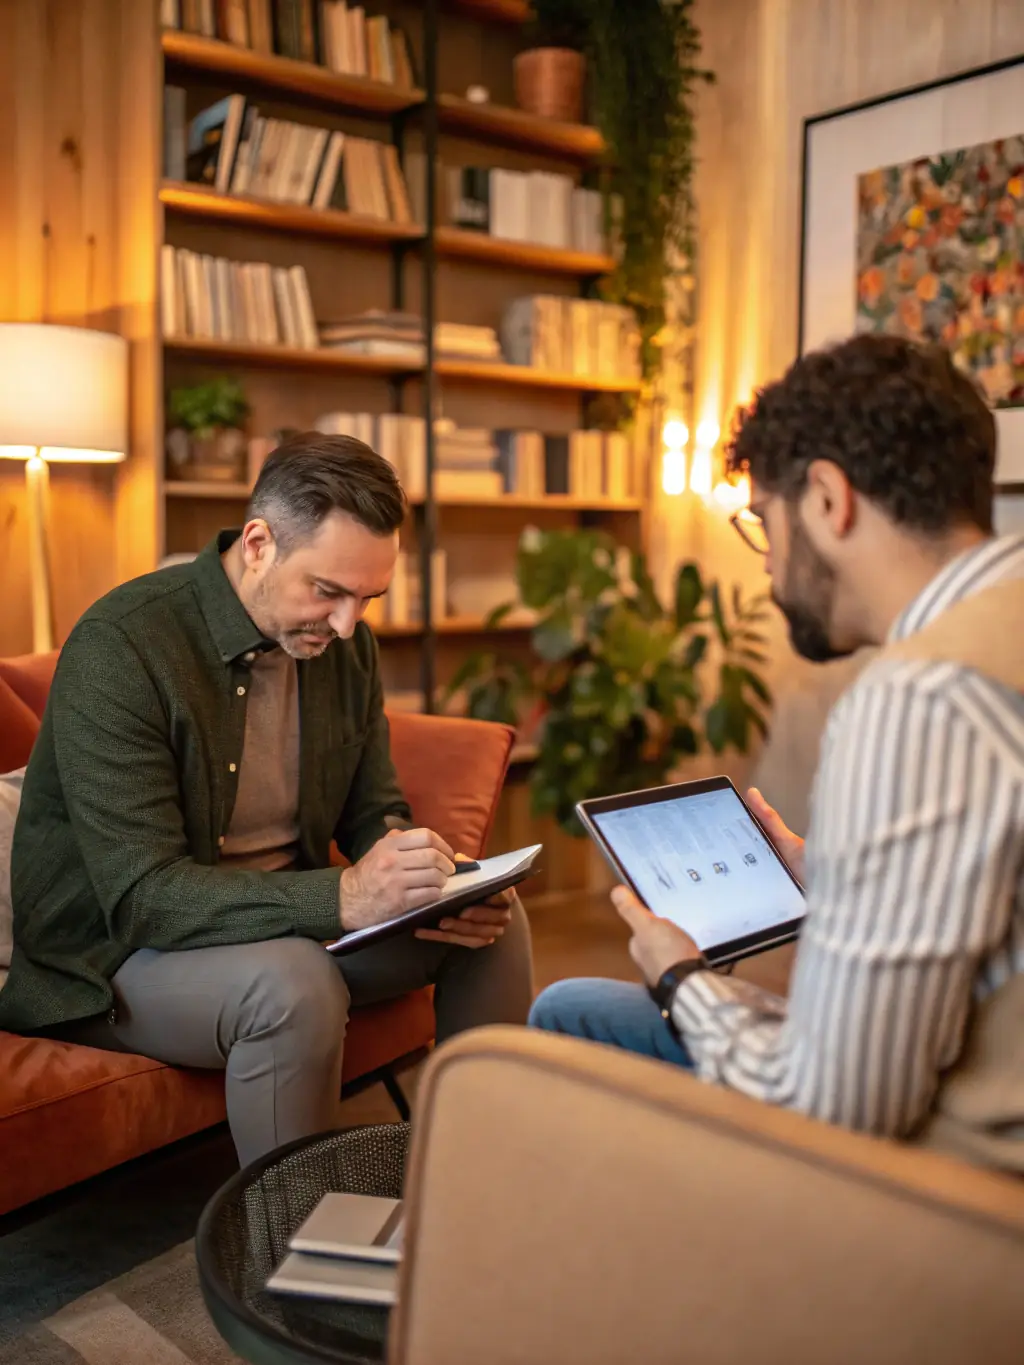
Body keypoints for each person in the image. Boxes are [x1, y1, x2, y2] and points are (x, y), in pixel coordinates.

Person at [530, 334, 1024, 1164]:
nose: (770, 572)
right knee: (578, 1001)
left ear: (828, 499)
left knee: (566, 1015)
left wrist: (681, 976)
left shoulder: (917, 698)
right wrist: (824, 871)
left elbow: (832, 1107)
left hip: (955, 1193)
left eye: (764, 522)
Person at [1, 433, 533, 1165]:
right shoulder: (123, 645)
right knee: (292, 982)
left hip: (284, 925)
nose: (348, 624)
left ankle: (486, 1184)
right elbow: (143, 897)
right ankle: (297, 1254)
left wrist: (419, 873)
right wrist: (346, 897)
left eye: (367, 598)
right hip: (114, 959)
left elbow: (372, 806)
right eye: (328, 591)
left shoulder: (346, 647)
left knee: (489, 922)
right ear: (258, 543)